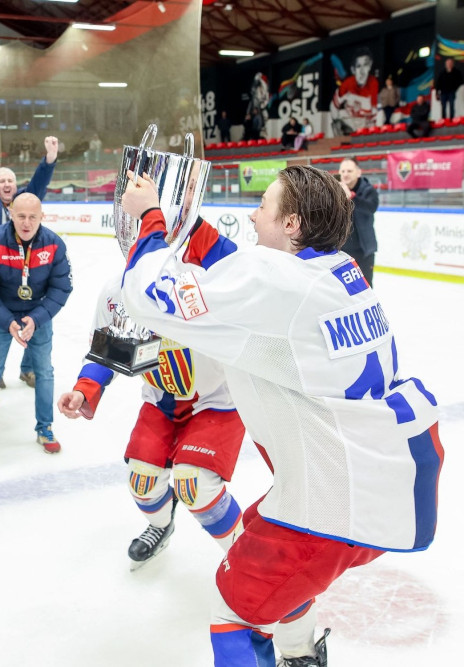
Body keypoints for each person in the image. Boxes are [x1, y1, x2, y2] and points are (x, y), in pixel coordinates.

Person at [120, 165, 442, 666]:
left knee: (235, 609)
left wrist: (150, 219)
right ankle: (301, 654)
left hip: (335, 501)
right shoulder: (341, 271)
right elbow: (252, 280)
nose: (253, 215)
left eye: (263, 206)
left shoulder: (277, 282)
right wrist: (194, 224)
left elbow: (149, 299)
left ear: (291, 223)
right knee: (275, 578)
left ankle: (297, 654)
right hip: (381, 480)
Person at [58, 274, 244, 569]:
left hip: (217, 400)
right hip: (159, 399)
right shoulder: (117, 291)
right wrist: (84, 389)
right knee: (142, 482)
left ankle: (247, 557)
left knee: (195, 485)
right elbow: (106, 350)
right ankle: (161, 526)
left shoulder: (209, 278)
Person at [0, 193, 72, 461]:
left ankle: (45, 428)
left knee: (45, 372)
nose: (26, 223)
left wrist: (37, 318)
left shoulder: (54, 245)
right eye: (21, 216)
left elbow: (61, 288)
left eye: (32, 217)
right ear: (11, 214)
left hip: (38, 315)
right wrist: (7, 321)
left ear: (42, 217)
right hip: (0, 315)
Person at [0, 133, 59, 388]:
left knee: (33, 319)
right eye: (1, 181)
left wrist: (49, 159)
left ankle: (29, 369)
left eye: (10, 180)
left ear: (16, 185)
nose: (6, 184)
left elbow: (39, 182)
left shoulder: (25, 201)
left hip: (27, 272)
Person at [338, 158, 380, 285]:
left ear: (358, 173)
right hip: (342, 250)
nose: (345, 174)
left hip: (363, 251)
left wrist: (351, 196)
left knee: (365, 286)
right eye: (343, 171)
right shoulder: (336, 191)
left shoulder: (368, 190)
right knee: (343, 288)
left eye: (349, 171)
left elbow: (371, 208)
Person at [331, 47, 379, 135]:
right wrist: (336, 121)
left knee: (380, 115)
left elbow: (372, 109)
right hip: (351, 122)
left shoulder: (373, 82)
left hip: (366, 123)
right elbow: (333, 106)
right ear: (353, 69)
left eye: (365, 65)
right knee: (340, 115)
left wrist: (354, 97)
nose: (362, 71)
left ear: (370, 66)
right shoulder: (347, 84)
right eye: (358, 66)